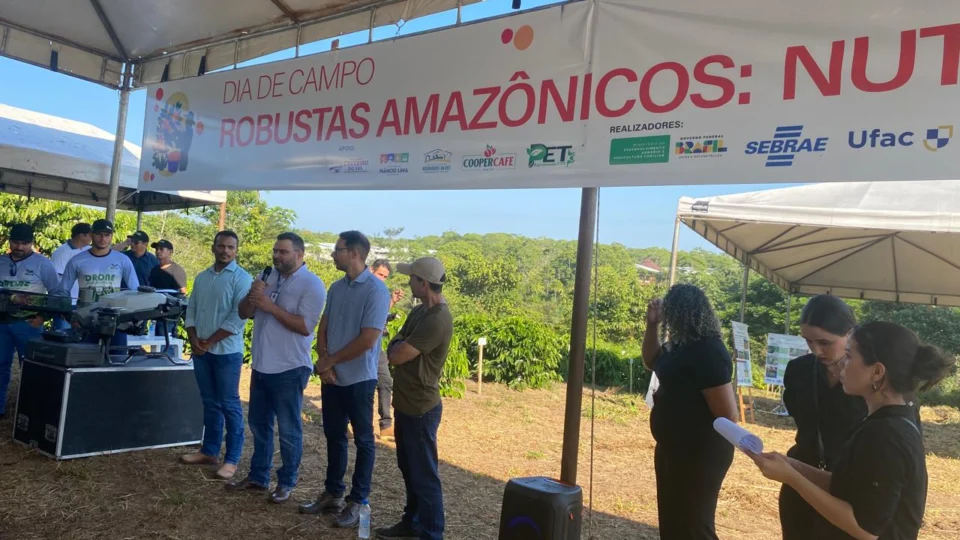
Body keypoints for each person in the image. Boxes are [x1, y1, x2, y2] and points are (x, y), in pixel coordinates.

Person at [751, 322, 955, 540]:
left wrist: (792, 478)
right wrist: (793, 466)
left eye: (848, 356)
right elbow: (849, 488)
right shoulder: (885, 422)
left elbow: (865, 528)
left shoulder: (886, 435)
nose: (842, 366)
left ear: (877, 371)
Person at [299, 230, 390, 528]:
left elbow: (368, 339)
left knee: (363, 440)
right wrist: (325, 363)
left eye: (336, 250)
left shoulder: (376, 291)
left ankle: (358, 500)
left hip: (359, 378)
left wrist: (331, 361)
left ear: (353, 253)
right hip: (332, 377)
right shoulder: (336, 287)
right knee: (334, 434)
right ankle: (333, 493)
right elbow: (324, 326)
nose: (332, 255)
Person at [228, 232, 326, 504]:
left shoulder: (312, 285)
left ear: (299, 254)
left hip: (289, 367)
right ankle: (258, 477)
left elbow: (305, 326)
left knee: (288, 428)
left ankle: (286, 482)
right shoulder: (267, 276)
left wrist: (270, 306)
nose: (277, 256)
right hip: (261, 364)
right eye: (275, 251)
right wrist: (253, 296)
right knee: (259, 424)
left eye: (283, 252)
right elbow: (243, 313)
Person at [642, 283, 738, 540]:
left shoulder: (709, 351)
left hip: (699, 455)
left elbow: (728, 415)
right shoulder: (679, 346)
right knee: (673, 523)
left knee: (694, 526)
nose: (668, 317)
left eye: (671, 312)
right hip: (672, 450)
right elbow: (652, 360)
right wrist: (652, 325)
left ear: (685, 312)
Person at [377, 257, 453, 540]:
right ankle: (412, 523)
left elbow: (395, 354)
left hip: (421, 408)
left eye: (412, 278)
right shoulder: (420, 313)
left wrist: (399, 345)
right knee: (410, 469)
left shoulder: (437, 319)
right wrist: (399, 344)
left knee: (424, 475)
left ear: (423, 283)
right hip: (408, 405)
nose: (408, 282)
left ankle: (432, 533)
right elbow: (396, 343)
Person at [779, 295, 867, 540]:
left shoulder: (870, 377)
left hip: (848, 487)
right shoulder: (799, 370)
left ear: (850, 333)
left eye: (825, 342)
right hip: (802, 476)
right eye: (809, 341)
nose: (816, 350)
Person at [180, 231, 252, 481]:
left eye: (231, 247)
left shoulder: (242, 278)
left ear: (236, 250)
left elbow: (238, 317)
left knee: (229, 404)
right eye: (221, 246)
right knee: (209, 402)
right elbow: (192, 310)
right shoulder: (202, 277)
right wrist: (193, 338)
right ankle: (209, 451)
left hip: (226, 353)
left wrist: (210, 341)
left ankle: (231, 459)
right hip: (202, 351)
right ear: (213, 247)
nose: (225, 251)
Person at [0, 224, 59, 418]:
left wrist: (43, 317)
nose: (20, 247)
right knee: (1, 366)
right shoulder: (1, 261)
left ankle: (30, 410)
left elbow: (57, 294)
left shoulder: (43, 264)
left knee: (32, 367)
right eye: (16, 242)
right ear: (10, 241)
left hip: (28, 324)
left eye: (25, 243)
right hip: (1, 324)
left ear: (32, 243)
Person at [56, 219, 139, 350]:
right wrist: (70, 315)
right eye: (99, 234)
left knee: (117, 362)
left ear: (112, 236)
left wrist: (130, 318)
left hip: (115, 321)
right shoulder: (77, 260)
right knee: (84, 363)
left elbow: (135, 290)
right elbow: (63, 290)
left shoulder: (123, 260)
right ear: (92, 235)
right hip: (85, 321)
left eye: (107, 235)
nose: (103, 238)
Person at [370, 259, 405, 440]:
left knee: (385, 382)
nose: (382, 279)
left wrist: (391, 301)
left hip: (376, 346)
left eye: (384, 276)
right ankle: (357, 424)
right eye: (380, 274)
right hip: (359, 347)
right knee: (362, 386)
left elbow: (379, 315)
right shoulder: (362, 290)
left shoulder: (380, 292)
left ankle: (386, 425)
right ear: (371, 270)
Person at [50, 223, 92, 327]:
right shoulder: (62, 253)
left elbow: (109, 252)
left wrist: (125, 243)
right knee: (63, 335)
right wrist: (64, 305)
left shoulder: (86, 249)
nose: (93, 238)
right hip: (66, 304)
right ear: (81, 235)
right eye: (90, 235)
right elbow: (58, 280)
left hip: (81, 303)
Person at [149, 239, 188, 338]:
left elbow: (183, 292)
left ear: (170, 252)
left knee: (166, 343)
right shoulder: (154, 270)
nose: (158, 251)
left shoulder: (176, 270)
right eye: (156, 249)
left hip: (169, 315)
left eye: (161, 249)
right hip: (155, 314)